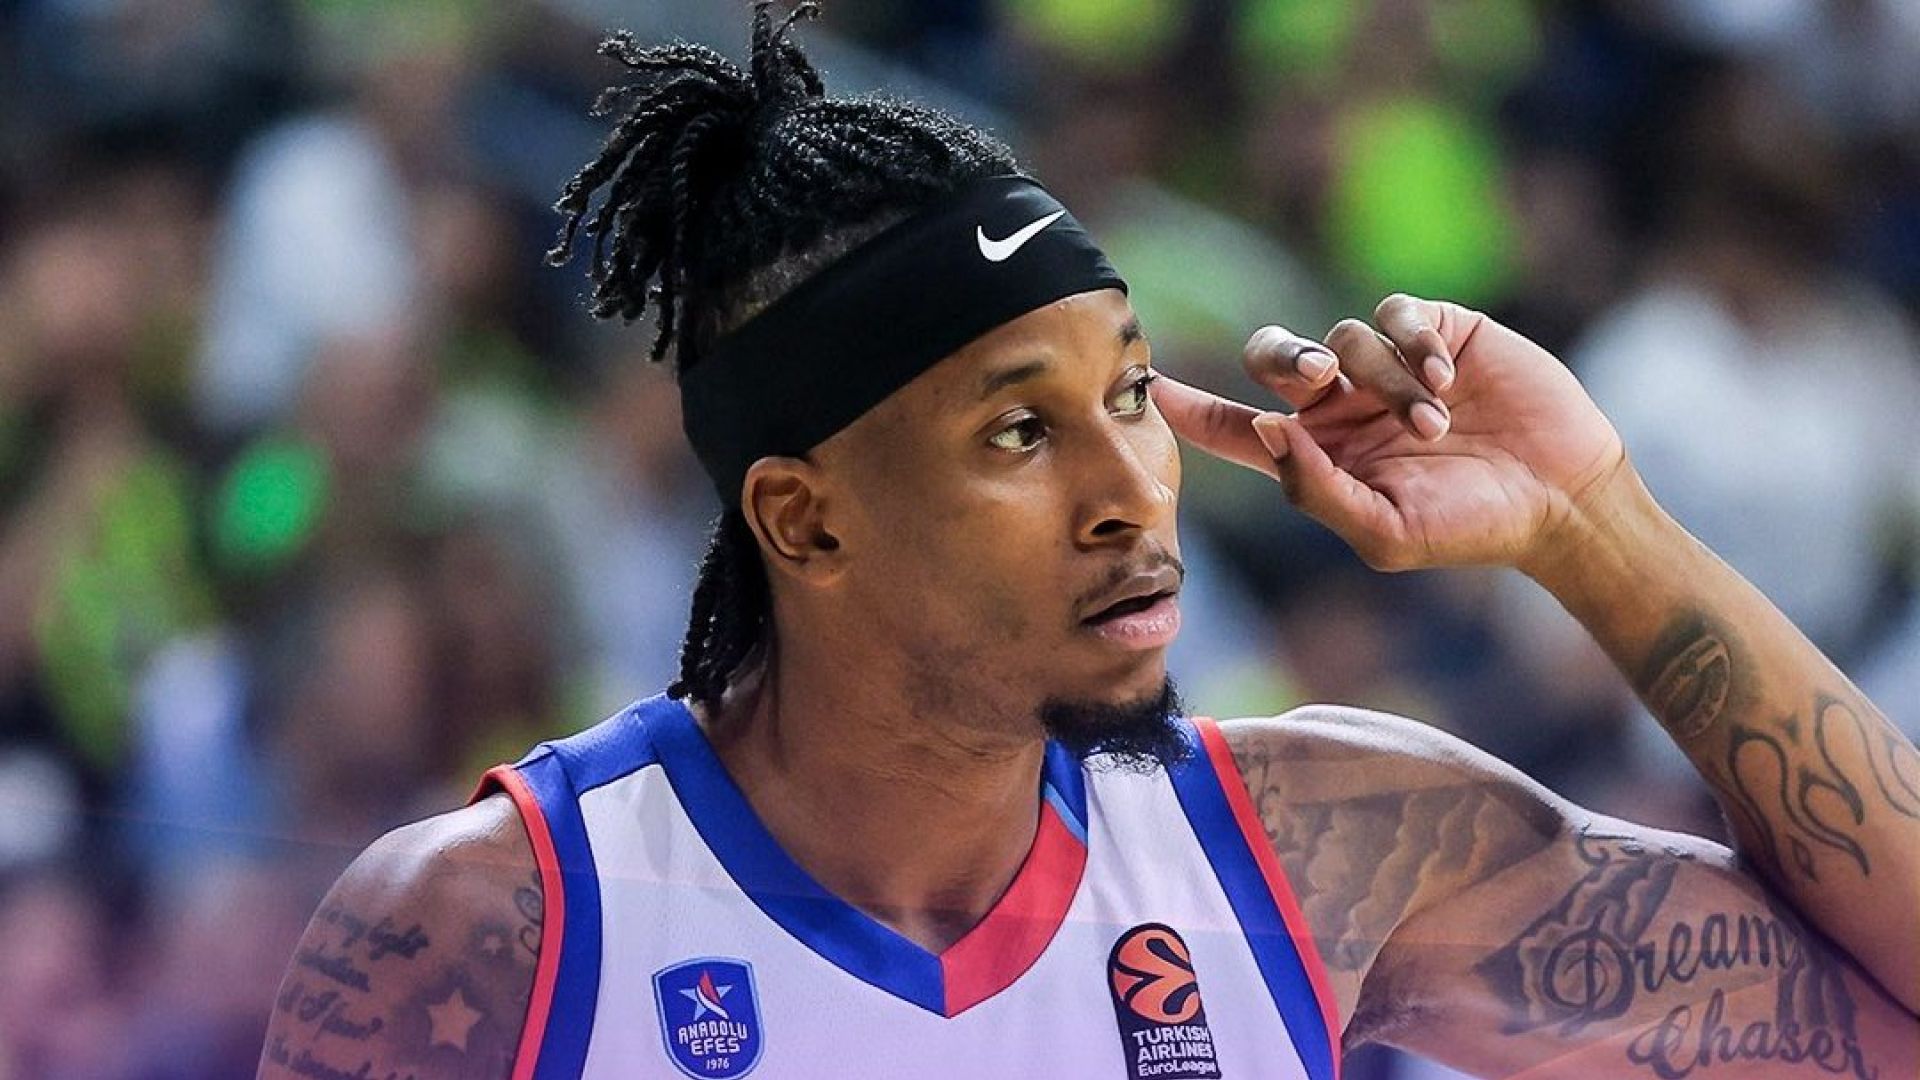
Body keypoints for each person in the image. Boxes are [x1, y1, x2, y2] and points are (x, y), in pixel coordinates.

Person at [257, 5, 1920, 1079]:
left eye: (1130, 394)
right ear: (804, 517)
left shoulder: (1324, 851)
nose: (1132, 485)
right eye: (1018, 430)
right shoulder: (488, 935)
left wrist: (1593, 523)